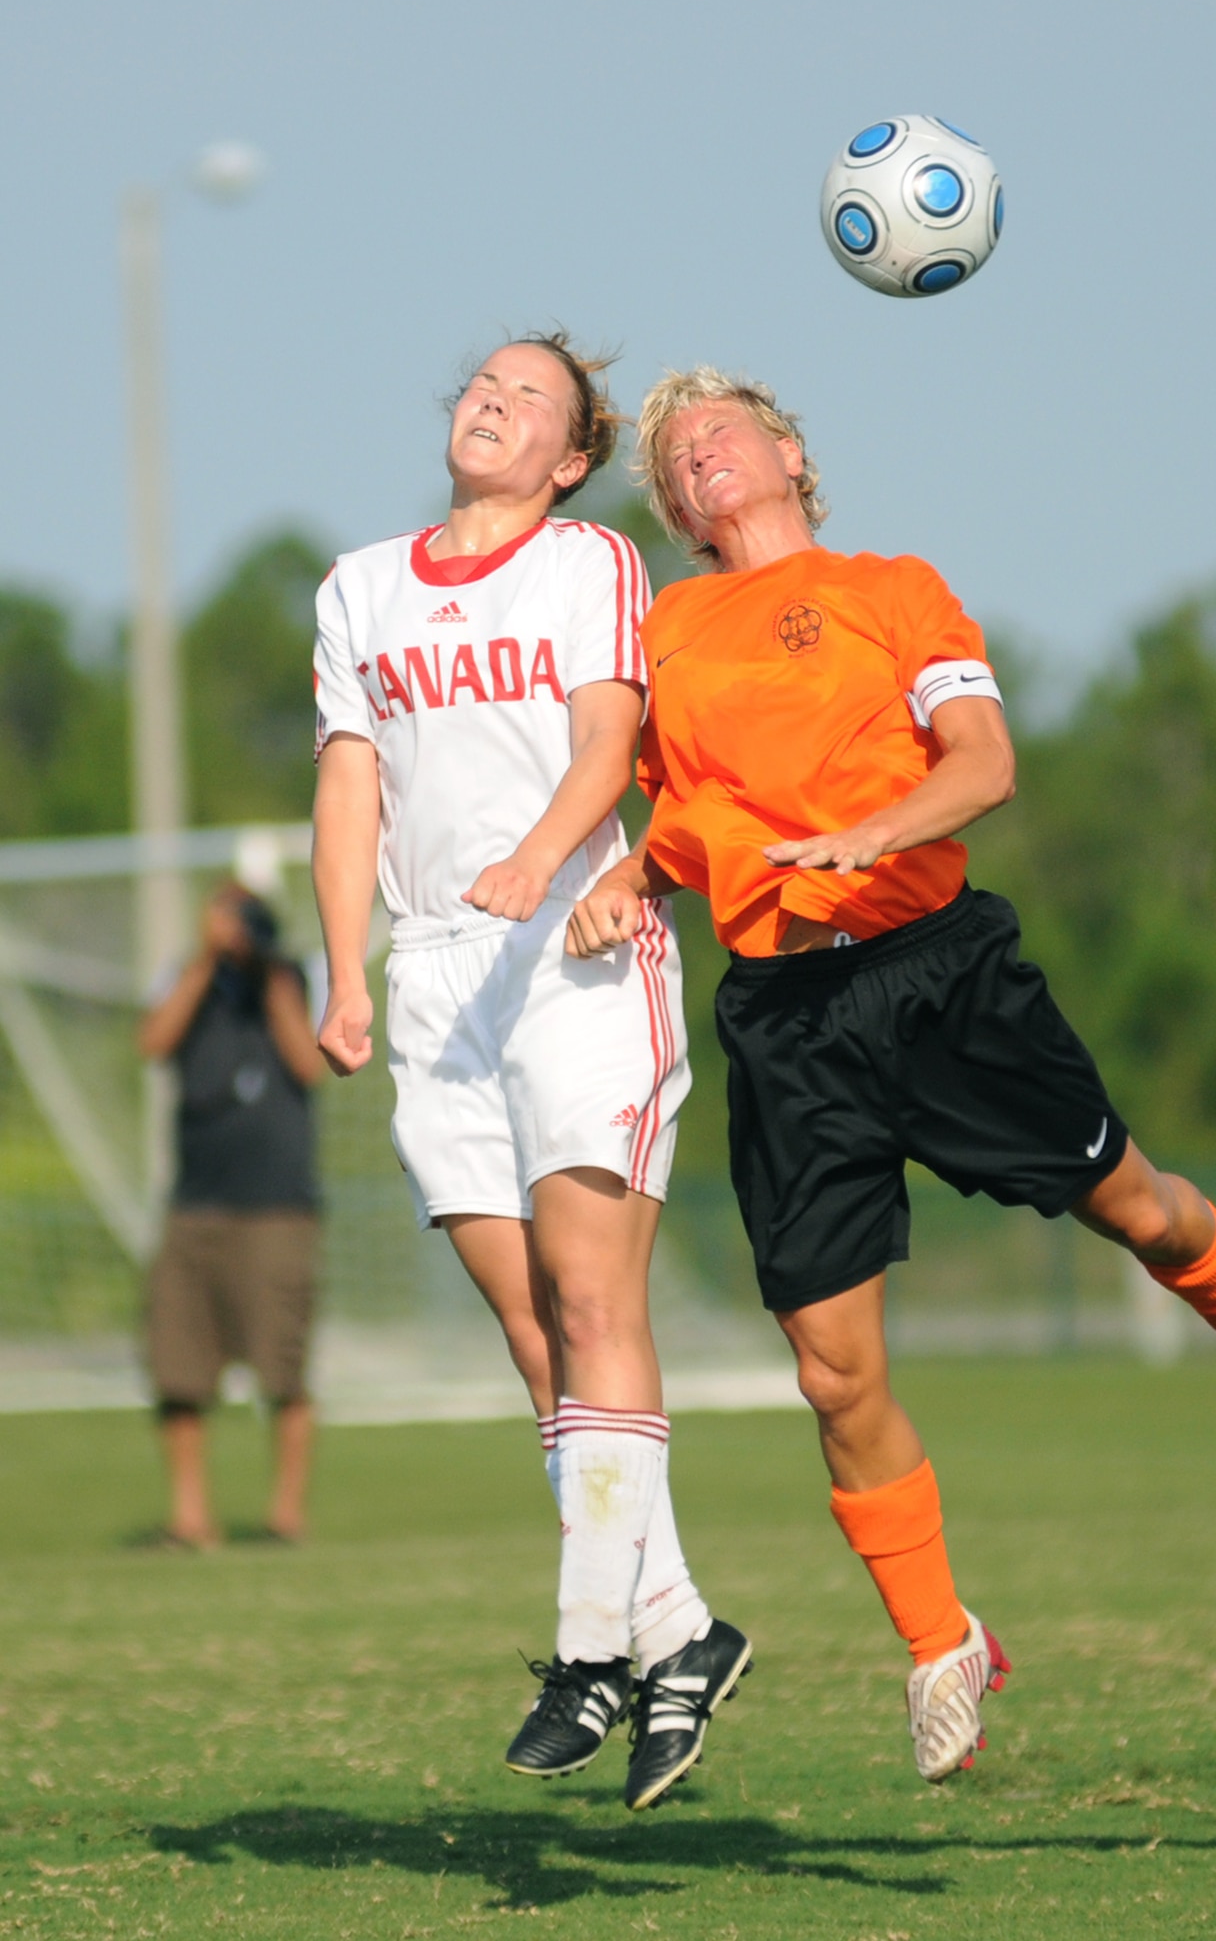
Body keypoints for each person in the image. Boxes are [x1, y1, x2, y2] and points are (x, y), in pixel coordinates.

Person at [565, 365, 1216, 1788]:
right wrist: (629, 877)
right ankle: (940, 1645)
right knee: (827, 1368)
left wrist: (869, 835)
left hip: (938, 977)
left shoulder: (892, 587)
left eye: (718, 435)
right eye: (673, 461)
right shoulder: (670, 627)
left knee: (1141, 1214)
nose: (695, 463)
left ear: (791, 454)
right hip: (786, 1022)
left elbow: (982, 763)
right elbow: (690, 813)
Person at [310, 333, 749, 1813]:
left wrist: (539, 860)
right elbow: (349, 783)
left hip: (570, 943)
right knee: (529, 1328)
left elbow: (610, 742)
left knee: (589, 1297)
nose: (491, 402)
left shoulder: (589, 563)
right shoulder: (358, 586)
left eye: (530, 398)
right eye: (480, 384)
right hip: (436, 975)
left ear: (568, 459)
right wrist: (340, 968)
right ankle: (678, 1627)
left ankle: (592, 1650)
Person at [138, 881, 325, 1549]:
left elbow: (309, 1061)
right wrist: (203, 964)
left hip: (277, 1207)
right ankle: (191, 1519)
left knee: (282, 1366)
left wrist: (269, 972)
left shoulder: (297, 976)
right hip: (195, 1205)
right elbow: (153, 1042)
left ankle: (285, 1516)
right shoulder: (185, 978)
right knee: (179, 1367)